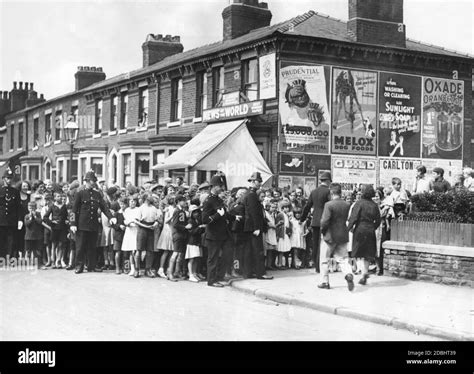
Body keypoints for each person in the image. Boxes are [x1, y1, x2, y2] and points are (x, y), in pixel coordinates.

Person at [70, 171, 116, 274]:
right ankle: (79, 266)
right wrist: (73, 224)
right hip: (81, 225)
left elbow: (104, 206)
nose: (94, 182)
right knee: (80, 247)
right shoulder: (80, 193)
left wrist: (111, 217)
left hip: (93, 224)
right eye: (92, 181)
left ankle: (91, 266)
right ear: (87, 181)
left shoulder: (97, 194)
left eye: (94, 181)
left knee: (92, 246)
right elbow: (73, 210)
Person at [318, 183, 354, 291]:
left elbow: (325, 221)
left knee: (324, 259)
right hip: (342, 234)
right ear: (340, 192)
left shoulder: (328, 205)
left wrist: (323, 231)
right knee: (343, 259)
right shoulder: (347, 204)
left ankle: (325, 282)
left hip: (330, 235)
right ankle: (348, 274)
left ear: (331, 192)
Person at [347, 184, 381, 286]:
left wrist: (348, 229)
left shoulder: (359, 203)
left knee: (357, 252)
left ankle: (358, 270)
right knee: (367, 254)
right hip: (370, 230)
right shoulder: (374, 205)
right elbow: (378, 220)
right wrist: (372, 227)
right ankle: (365, 273)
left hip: (360, 229)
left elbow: (353, 218)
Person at [201, 174, 232, 287]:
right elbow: (204, 220)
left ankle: (219, 276)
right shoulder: (208, 201)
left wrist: (233, 217)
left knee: (227, 254)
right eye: (220, 186)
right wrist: (217, 216)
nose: (222, 188)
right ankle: (211, 280)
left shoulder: (218, 199)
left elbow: (225, 213)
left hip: (222, 233)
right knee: (213, 258)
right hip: (213, 234)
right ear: (214, 186)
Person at [241, 172, 273, 280]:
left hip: (250, 227)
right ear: (253, 182)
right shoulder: (252, 195)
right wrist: (256, 227)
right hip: (253, 227)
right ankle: (260, 273)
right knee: (258, 250)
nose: (260, 183)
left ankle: (249, 272)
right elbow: (253, 213)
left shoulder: (250, 194)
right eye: (258, 181)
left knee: (250, 251)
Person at [300, 171, 331, 273]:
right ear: (328, 181)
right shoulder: (328, 192)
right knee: (324, 244)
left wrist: (302, 219)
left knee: (316, 244)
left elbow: (307, 206)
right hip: (325, 221)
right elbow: (330, 207)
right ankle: (321, 266)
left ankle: (316, 266)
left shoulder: (314, 192)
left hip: (315, 222)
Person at [135, 193, 160, 278]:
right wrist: (145, 226)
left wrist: (155, 224)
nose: (151, 197)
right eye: (149, 196)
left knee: (150, 251)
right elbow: (136, 221)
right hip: (142, 229)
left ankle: (148, 269)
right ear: (145, 198)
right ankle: (137, 269)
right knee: (139, 250)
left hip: (151, 229)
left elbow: (157, 220)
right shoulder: (141, 208)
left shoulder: (154, 208)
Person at [0, 168, 23, 261]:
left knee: (11, 240)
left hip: (12, 220)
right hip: (1, 220)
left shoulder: (15, 192)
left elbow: (19, 207)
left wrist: (20, 219)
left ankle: (11, 258)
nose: (9, 180)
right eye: (7, 178)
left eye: (10, 178)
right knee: (1, 239)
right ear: (3, 179)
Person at [43, 191, 68, 269]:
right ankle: (53, 261)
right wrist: (51, 222)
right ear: (55, 198)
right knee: (54, 245)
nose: (60, 198)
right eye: (58, 196)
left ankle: (58, 261)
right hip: (55, 228)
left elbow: (67, 216)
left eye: (60, 196)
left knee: (61, 245)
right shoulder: (52, 206)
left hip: (62, 228)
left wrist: (67, 221)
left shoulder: (64, 206)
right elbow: (45, 217)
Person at [168, 195, 189, 281]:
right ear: (178, 201)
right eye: (183, 201)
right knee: (176, 253)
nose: (185, 202)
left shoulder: (181, 211)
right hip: (178, 234)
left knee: (180, 254)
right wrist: (185, 227)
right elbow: (175, 224)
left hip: (181, 235)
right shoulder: (177, 211)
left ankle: (176, 272)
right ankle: (170, 273)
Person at [157, 196, 176, 278]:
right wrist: (173, 216)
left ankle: (168, 269)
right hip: (167, 230)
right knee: (166, 251)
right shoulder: (168, 209)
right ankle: (161, 269)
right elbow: (167, 221)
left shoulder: (174, 209)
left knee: (171, 251)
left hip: (172, 230)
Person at [186, 204, 205, 282]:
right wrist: (199, 227)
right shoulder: (190, 221)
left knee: (196, 258)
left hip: (197, 242)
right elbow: (191, 232)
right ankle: (190, 274)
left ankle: (194, 273)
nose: (196, 214)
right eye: (194, 212)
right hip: (192, 242)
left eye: (197, 212)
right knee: (192, 259)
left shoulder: (198, 220)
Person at [24, 201, 43, 266]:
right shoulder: (26, 216)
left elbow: (40, 222)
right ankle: (29, 264)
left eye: (33, 208)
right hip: (29, 237)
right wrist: (30, 218)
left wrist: (35, 216)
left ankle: (38, 264)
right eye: (30, 208)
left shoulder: (38, 214)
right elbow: (27, 224)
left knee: (37, 251)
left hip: (37, 236)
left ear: (35, 208)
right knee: (28, 251)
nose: (31, 210)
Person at [110, 199, 126, 275]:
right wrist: (119, 226)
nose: (123, 206)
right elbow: (113, 225)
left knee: (126, 253)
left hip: (126, 235)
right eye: (121, 204)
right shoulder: (116, 214)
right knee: (118, 252)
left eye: (124, 204)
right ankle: (117, 268)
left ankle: (125, 267)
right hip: (118, 235)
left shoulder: (127, 213)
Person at [275, 201, 292, 269]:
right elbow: (278, 225)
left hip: (285, 233)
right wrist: (278, 235)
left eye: (288, 207)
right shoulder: (280, 215)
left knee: (283, 250)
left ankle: (281, 263)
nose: (287, 209)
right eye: (285, 207)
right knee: (280, 250)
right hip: (281, 234)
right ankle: (279, 264)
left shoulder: (286, 215)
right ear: (282, 208)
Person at [263, 200, 277, 271]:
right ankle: (266, 265)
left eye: (275, 207)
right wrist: (276, 225)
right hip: (268, 232)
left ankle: (269, 264)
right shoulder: (266, 214)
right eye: (272, 207)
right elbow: (269, 224)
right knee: (267, 250)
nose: (274, 209)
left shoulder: (273, 214)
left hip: (272, 233)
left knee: (271, 250)